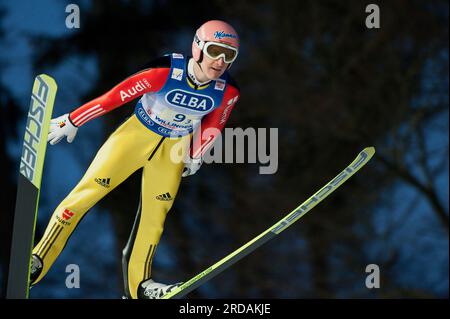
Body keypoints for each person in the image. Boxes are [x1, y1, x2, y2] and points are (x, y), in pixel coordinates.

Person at [29, 20, 241, 299]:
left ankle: (139, 287)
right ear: (198, 48)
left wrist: (196, 154)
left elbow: (216, 121)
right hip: (135, 137)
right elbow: (114, 97)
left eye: (229, 55)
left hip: (173, 151)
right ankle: (37, 260)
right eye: (215, 50)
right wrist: (73, 120)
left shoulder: (228, 90)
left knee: (155, 219)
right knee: (86, 194)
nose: (220, 61)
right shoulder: (164, 72)